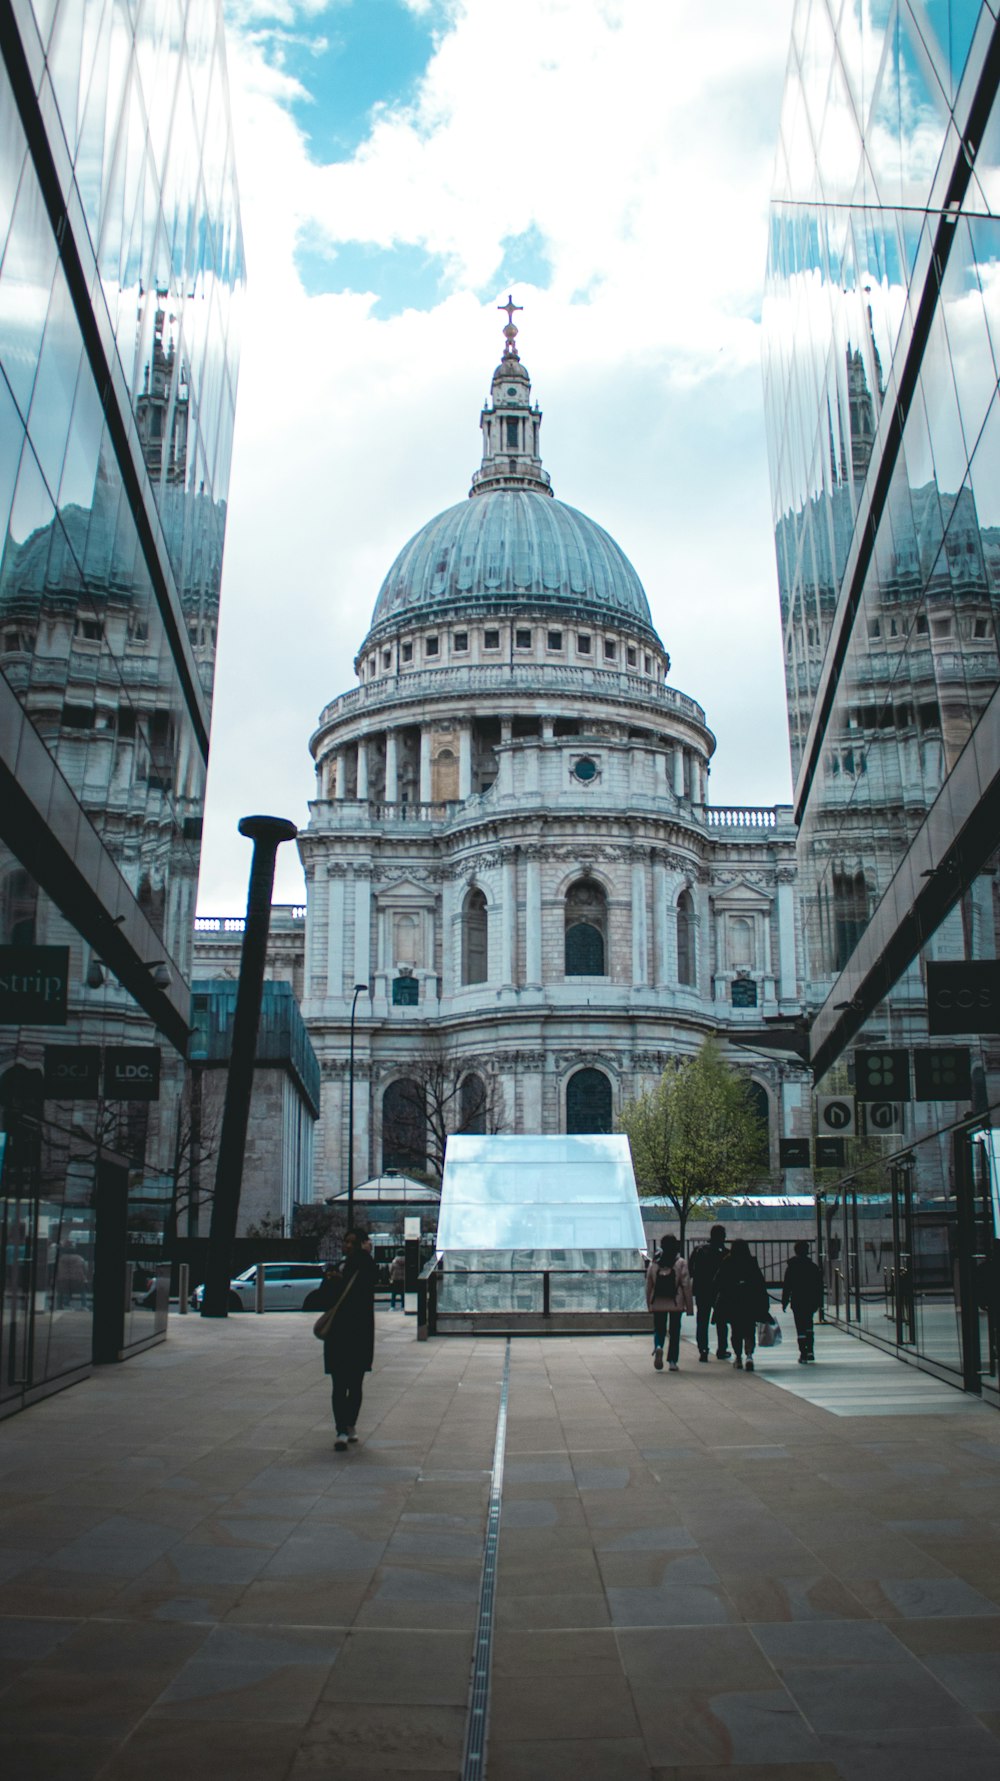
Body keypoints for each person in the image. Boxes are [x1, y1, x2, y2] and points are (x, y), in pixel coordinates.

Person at [315, 1229, 377, 1450]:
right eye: (346, 1241)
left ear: (361, 1245)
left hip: (358, 1333)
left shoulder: (364, 1266)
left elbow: (370, 1279)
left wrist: (365, 1255)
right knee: (340, 1384)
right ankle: (341, 1428)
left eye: (353, 1242)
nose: (347, 1246)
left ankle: (349, 1424)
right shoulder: (337, 1268)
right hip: (339, 1335)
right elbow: (324, 1298)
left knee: (355, 1384)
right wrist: (332, 1282)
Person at [713, 1238, 769, 1371]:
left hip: (732, 1300)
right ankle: (749, 1354)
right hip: (749, 1301)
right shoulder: (751, 1262)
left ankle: (738, 1358)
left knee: (736, 1330)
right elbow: (760, 1283)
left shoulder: (727, 1261)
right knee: (749, 1329)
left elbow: (718, 1280)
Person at [645, 1234, 693, 1372]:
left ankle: (658, 1346)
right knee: (674, 1331)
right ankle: (672, 1361)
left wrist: (649, 1303)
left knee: (659, 1328)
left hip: (658, 1301)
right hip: (675, 1302)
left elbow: (649, 1284)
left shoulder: (655, 1262)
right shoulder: (680, 1263)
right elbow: (686, 1286)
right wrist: (689, 1307)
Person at [689, 1223, 730, 1361]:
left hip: (702, 1290)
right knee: (721, 1321)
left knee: (702, 1321)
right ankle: (722, 1349)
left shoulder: (699, 1250)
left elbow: (691, 1270)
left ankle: (703, 1349)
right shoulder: (725, 1254)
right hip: (719, 1291)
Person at [782, 1240, 824, 1363]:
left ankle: (803, 1353)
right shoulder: (813, 1267)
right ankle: (810, 1350)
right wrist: (819, 1302)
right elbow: (818, 1286)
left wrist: (784, 1301)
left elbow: (787, 1286)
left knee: (800, 1327)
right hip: (810, 1300)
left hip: (797, 1300)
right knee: (809, 1325)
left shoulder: (791, 1268)